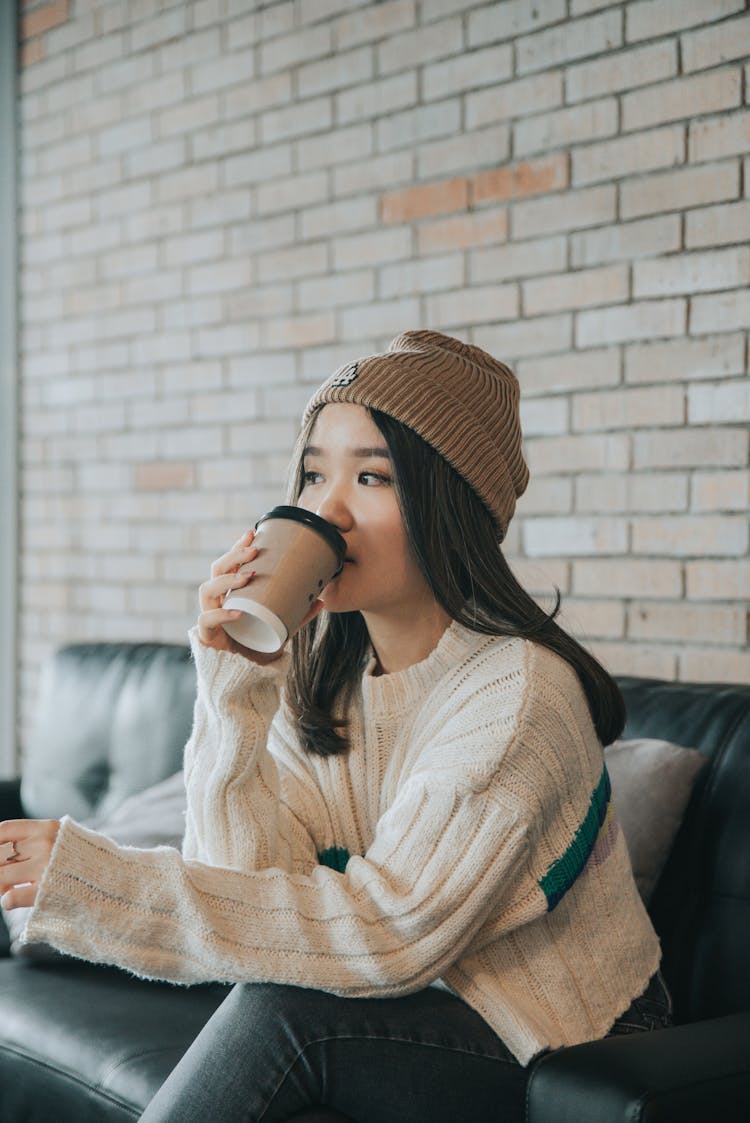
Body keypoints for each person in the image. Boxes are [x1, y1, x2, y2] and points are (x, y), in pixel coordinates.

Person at [0, 331, 670, 1122]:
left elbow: (389, 934)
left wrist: (100, 881)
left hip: (565, 1040)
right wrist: (233, 683)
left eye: (372, 476)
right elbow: (249, 893)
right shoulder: (327, 683)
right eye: (314, 472)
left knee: (280, 1020)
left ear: (449, 505)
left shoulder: (517, 694)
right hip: (417, 1008)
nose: (327, 508)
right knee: (272, 999)